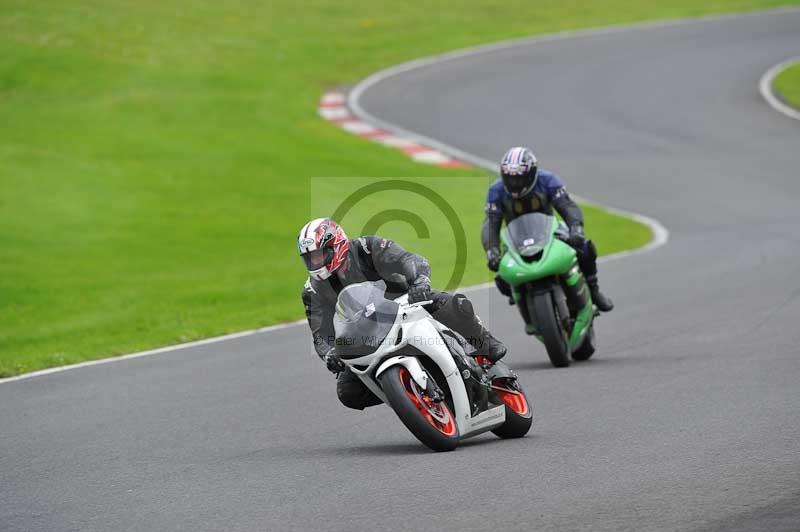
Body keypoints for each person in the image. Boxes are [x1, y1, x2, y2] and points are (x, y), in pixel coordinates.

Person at [299, 217, 507, 410]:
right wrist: (329, 354)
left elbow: (411, 260)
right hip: (365, 332)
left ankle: (485, 344)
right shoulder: (313, 289)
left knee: (454, 304)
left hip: (406, 303)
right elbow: (320, 333)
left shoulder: (367, 248)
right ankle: (409, 397)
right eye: (309, 259)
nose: (315, 263)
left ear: (336, 245)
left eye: (319, 255)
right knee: (348, 392)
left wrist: (420, 282)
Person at [482, 146, 614, 314]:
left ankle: (594, 290)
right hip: (516, 239)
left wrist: (576, 228)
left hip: (550, 231)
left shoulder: (548, 180)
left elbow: (567, 206)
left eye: (520, 178)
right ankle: (524, 303)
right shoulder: (496, 190)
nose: (515, 183)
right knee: (501, 277)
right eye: (510, 178)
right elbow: (490, 223)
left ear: (532, 173)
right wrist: (492, 251)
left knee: (585, 248)